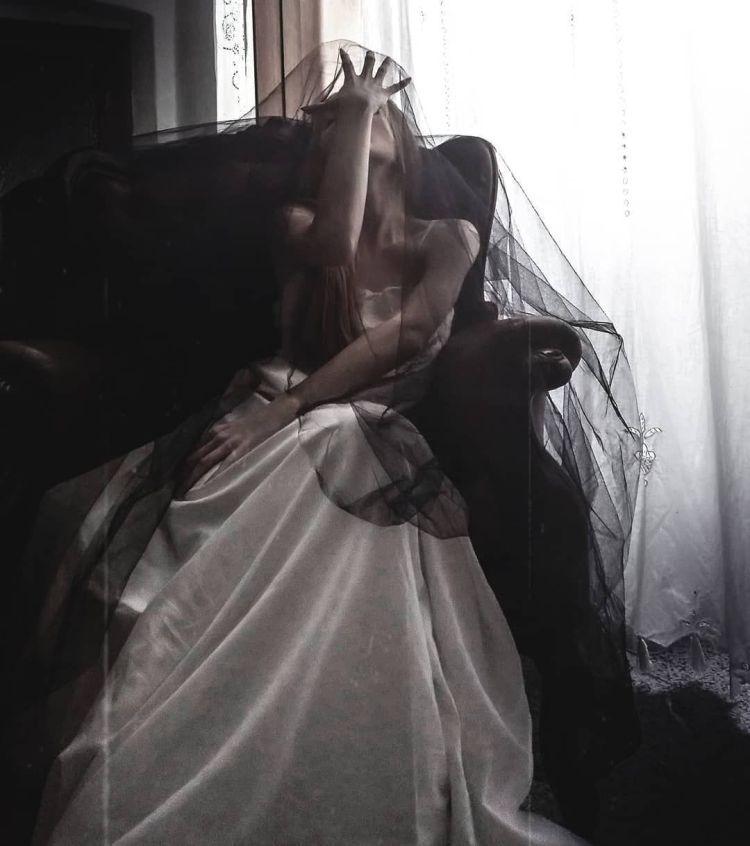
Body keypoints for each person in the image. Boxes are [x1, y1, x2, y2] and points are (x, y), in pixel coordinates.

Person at [23, 43, 640, 845]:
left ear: (404, 144)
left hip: (356, 430)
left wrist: (290, 410)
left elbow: (407, 337)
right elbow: (338, 245)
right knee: (312, 444)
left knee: (341, 432)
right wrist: (354, 118)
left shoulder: (449, 235)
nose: (359, 123)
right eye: (342, 126)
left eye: (376, 117)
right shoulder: (300, 225)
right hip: (271, 410)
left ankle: (328, 712)